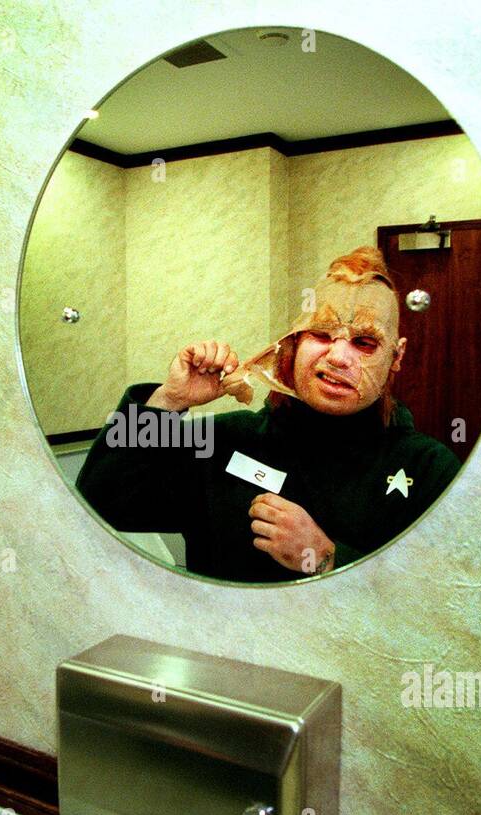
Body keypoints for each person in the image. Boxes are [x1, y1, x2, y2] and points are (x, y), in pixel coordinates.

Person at [76, 246, 461, 583]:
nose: (339, 357)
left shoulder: (429, 469)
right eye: (322, 334)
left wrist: (328, 559)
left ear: (397, 356)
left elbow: (447, 601)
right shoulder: (221, 444)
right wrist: (167, 402)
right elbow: (100, 502)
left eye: (364, 342)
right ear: (291, 344)